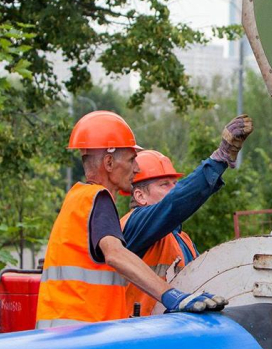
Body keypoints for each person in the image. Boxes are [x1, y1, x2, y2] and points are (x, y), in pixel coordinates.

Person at [35, 111, 233, 328]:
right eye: (131, 160)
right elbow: (115, 253)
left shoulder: (78, 200)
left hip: (72, 334)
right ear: (109, 162)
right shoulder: (97, 199)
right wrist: (172, 296)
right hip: (82, 336)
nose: (136, 168)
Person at [118, 149, 202, 315]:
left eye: (174, 183)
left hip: (170, 330)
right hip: (138, 332)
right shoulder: (135, 225)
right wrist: (216, 164)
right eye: (164, 184)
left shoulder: (181, 238)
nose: (174, 190)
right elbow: (174, 205)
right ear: (140, 196)